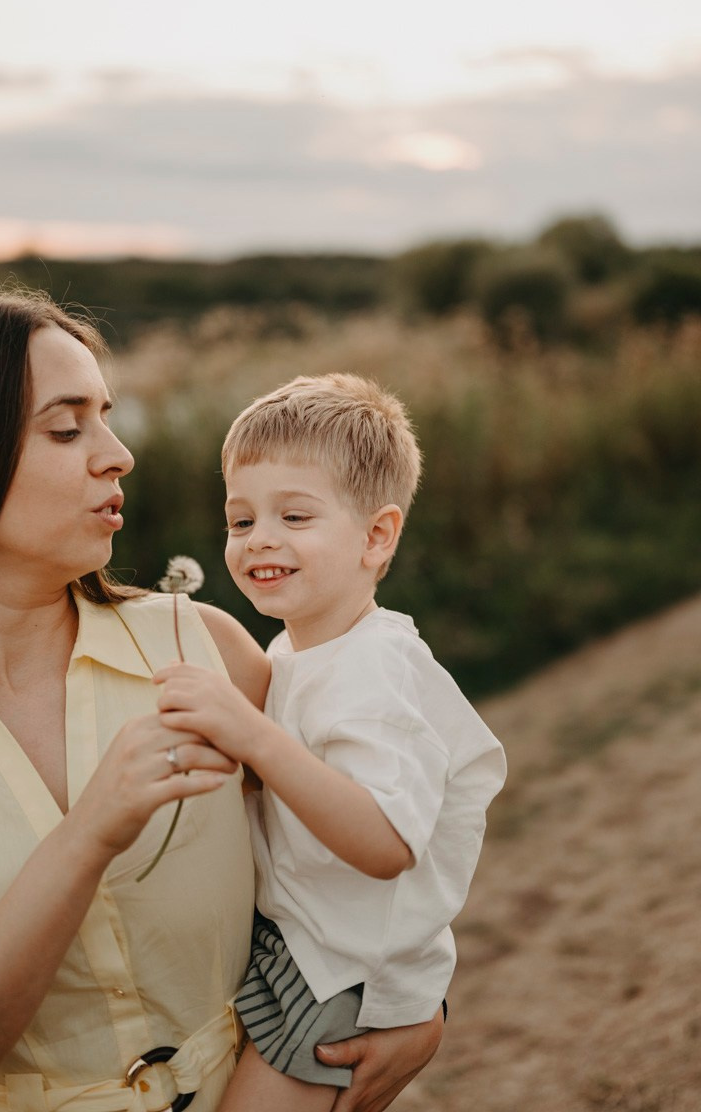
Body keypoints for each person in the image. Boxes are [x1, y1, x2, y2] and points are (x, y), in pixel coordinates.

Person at [0, 293, 444, 1112]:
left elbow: (358, 846)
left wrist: (416, 1004)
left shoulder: (206, 647)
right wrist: (91, 833)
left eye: (108, 419)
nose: (117, 455)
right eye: (66, 427)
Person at [154, 374, 507, 1112]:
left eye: (294, 516)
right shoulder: (296, 653)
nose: (261, 541)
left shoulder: (374, 669)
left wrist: (249, 734)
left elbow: (383, 844)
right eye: (241, 520)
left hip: (344, 977)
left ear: (377, 536)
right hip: (305, 952)